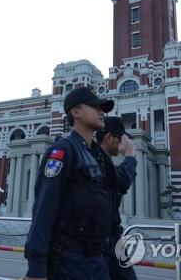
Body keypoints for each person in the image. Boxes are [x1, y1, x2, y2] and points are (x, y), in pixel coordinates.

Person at [25, 87, 116, 280]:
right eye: (95, 107)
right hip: (68, 260)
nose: (102, 112)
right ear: (75, 112)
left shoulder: (98, 155)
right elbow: (43, 209)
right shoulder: (62, 152)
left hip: (97, 259)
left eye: (103, 108)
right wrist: (36, 268)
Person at [96, 117, 138, 280]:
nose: (124, 142)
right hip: (99, 240)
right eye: (121, 138)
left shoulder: (104, 162)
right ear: (109, 138)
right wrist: (130, 155)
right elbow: (121, 180)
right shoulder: (94, 161)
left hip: (114, 238)